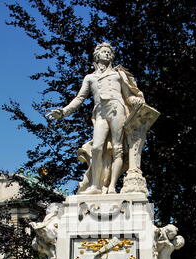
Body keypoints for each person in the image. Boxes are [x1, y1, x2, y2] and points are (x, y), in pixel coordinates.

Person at [47, 42, 145, 194]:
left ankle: (112, 186)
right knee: (97, 148)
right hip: (100, 113)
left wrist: (136, 100)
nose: (107, 54)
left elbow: (128, 96)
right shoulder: (90, 78)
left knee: (118, 148)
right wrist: (63, 111)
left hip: (116, 109)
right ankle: (95, 186)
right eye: (103, 51)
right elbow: (79, 98)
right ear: (97, 55)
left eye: (109, 52)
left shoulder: (119, 74)